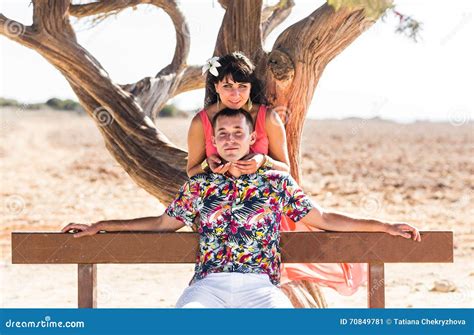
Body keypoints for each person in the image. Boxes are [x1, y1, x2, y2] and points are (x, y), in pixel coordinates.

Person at [61, 108, 421, 308]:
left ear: (251, 138)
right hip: (207, 287)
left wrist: (385, 226)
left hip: (260, 287)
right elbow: (160, 224)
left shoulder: (276, 184)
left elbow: (324, 219)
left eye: (238, 133)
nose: (230, 139)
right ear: (213, 141)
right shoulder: (200, 186)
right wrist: (100, 225)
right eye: (222, 134)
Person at [190, 52, 367, 305]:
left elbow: (285, 168)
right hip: (222, 208)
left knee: (278, 268)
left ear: (251, 87)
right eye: (228, 86)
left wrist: (263, 161)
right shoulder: (201, 121)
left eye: (242, 86)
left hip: (265, 204)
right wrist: (208, 166)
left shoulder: (268, 117)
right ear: (215, 86)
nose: (235, 94)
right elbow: (191, 170)